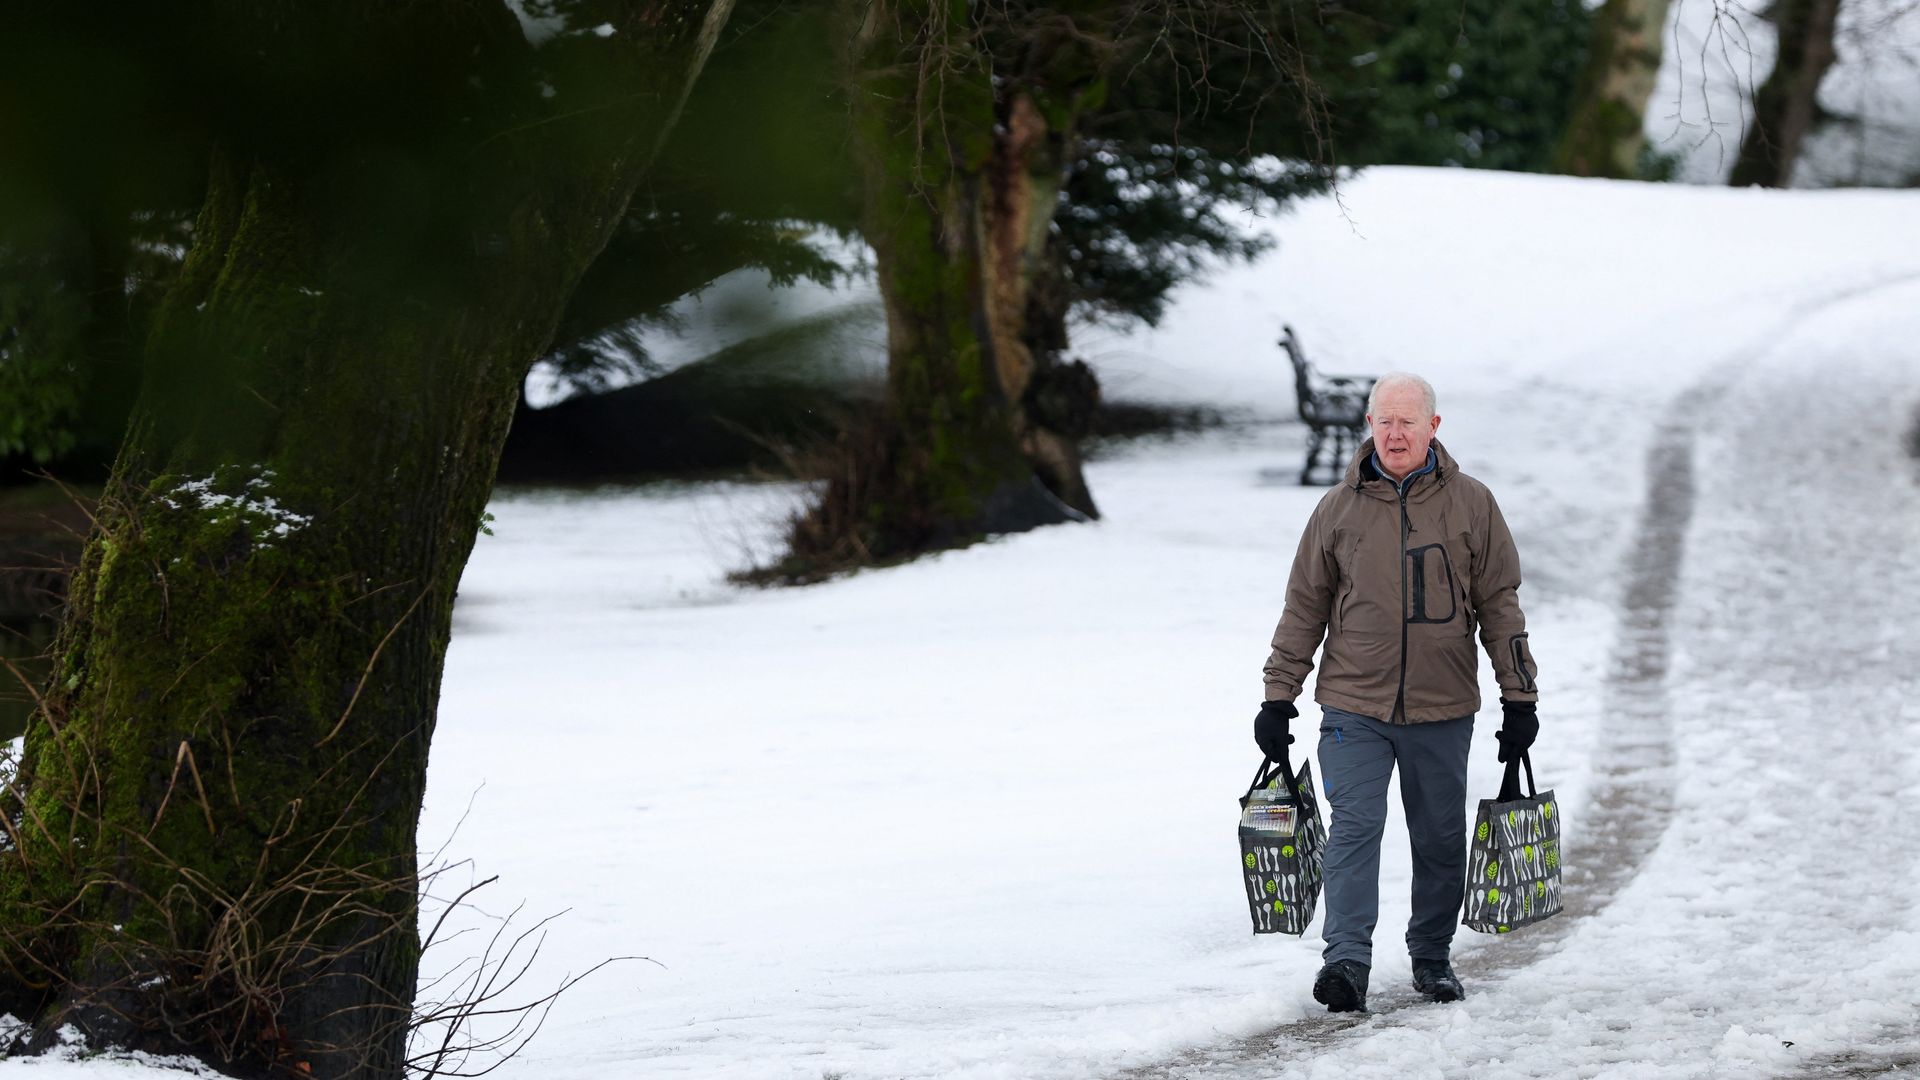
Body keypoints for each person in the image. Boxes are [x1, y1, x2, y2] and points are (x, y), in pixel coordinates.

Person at [1254, 371, 1539, 1013]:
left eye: (1407, 421)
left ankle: (1432, 956)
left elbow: (1500, 607)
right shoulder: (1337, 509)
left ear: (1433, 428)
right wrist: (1279, 696)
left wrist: (1519, 699)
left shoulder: (1472, 504)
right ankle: (1346, 962)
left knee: (1438, 837)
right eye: (1384, 419)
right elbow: (1304, 607)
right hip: (1353, 702)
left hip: (1442, 706)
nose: (1394, 432)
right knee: (1356, 826)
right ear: (1369, 425)